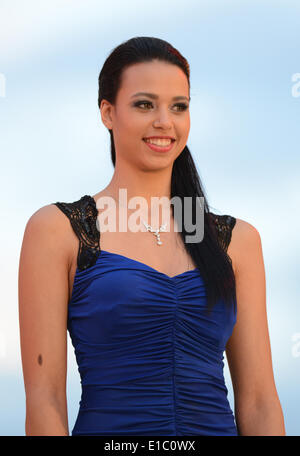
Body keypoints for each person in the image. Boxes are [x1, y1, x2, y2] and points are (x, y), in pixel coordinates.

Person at [18, 36, 285, 436]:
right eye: (145, 104)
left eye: (179, 106)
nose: (165, 121)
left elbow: (260, 402)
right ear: (108, 113)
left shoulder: (236, 240)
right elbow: (45, 401)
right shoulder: (58, 231)